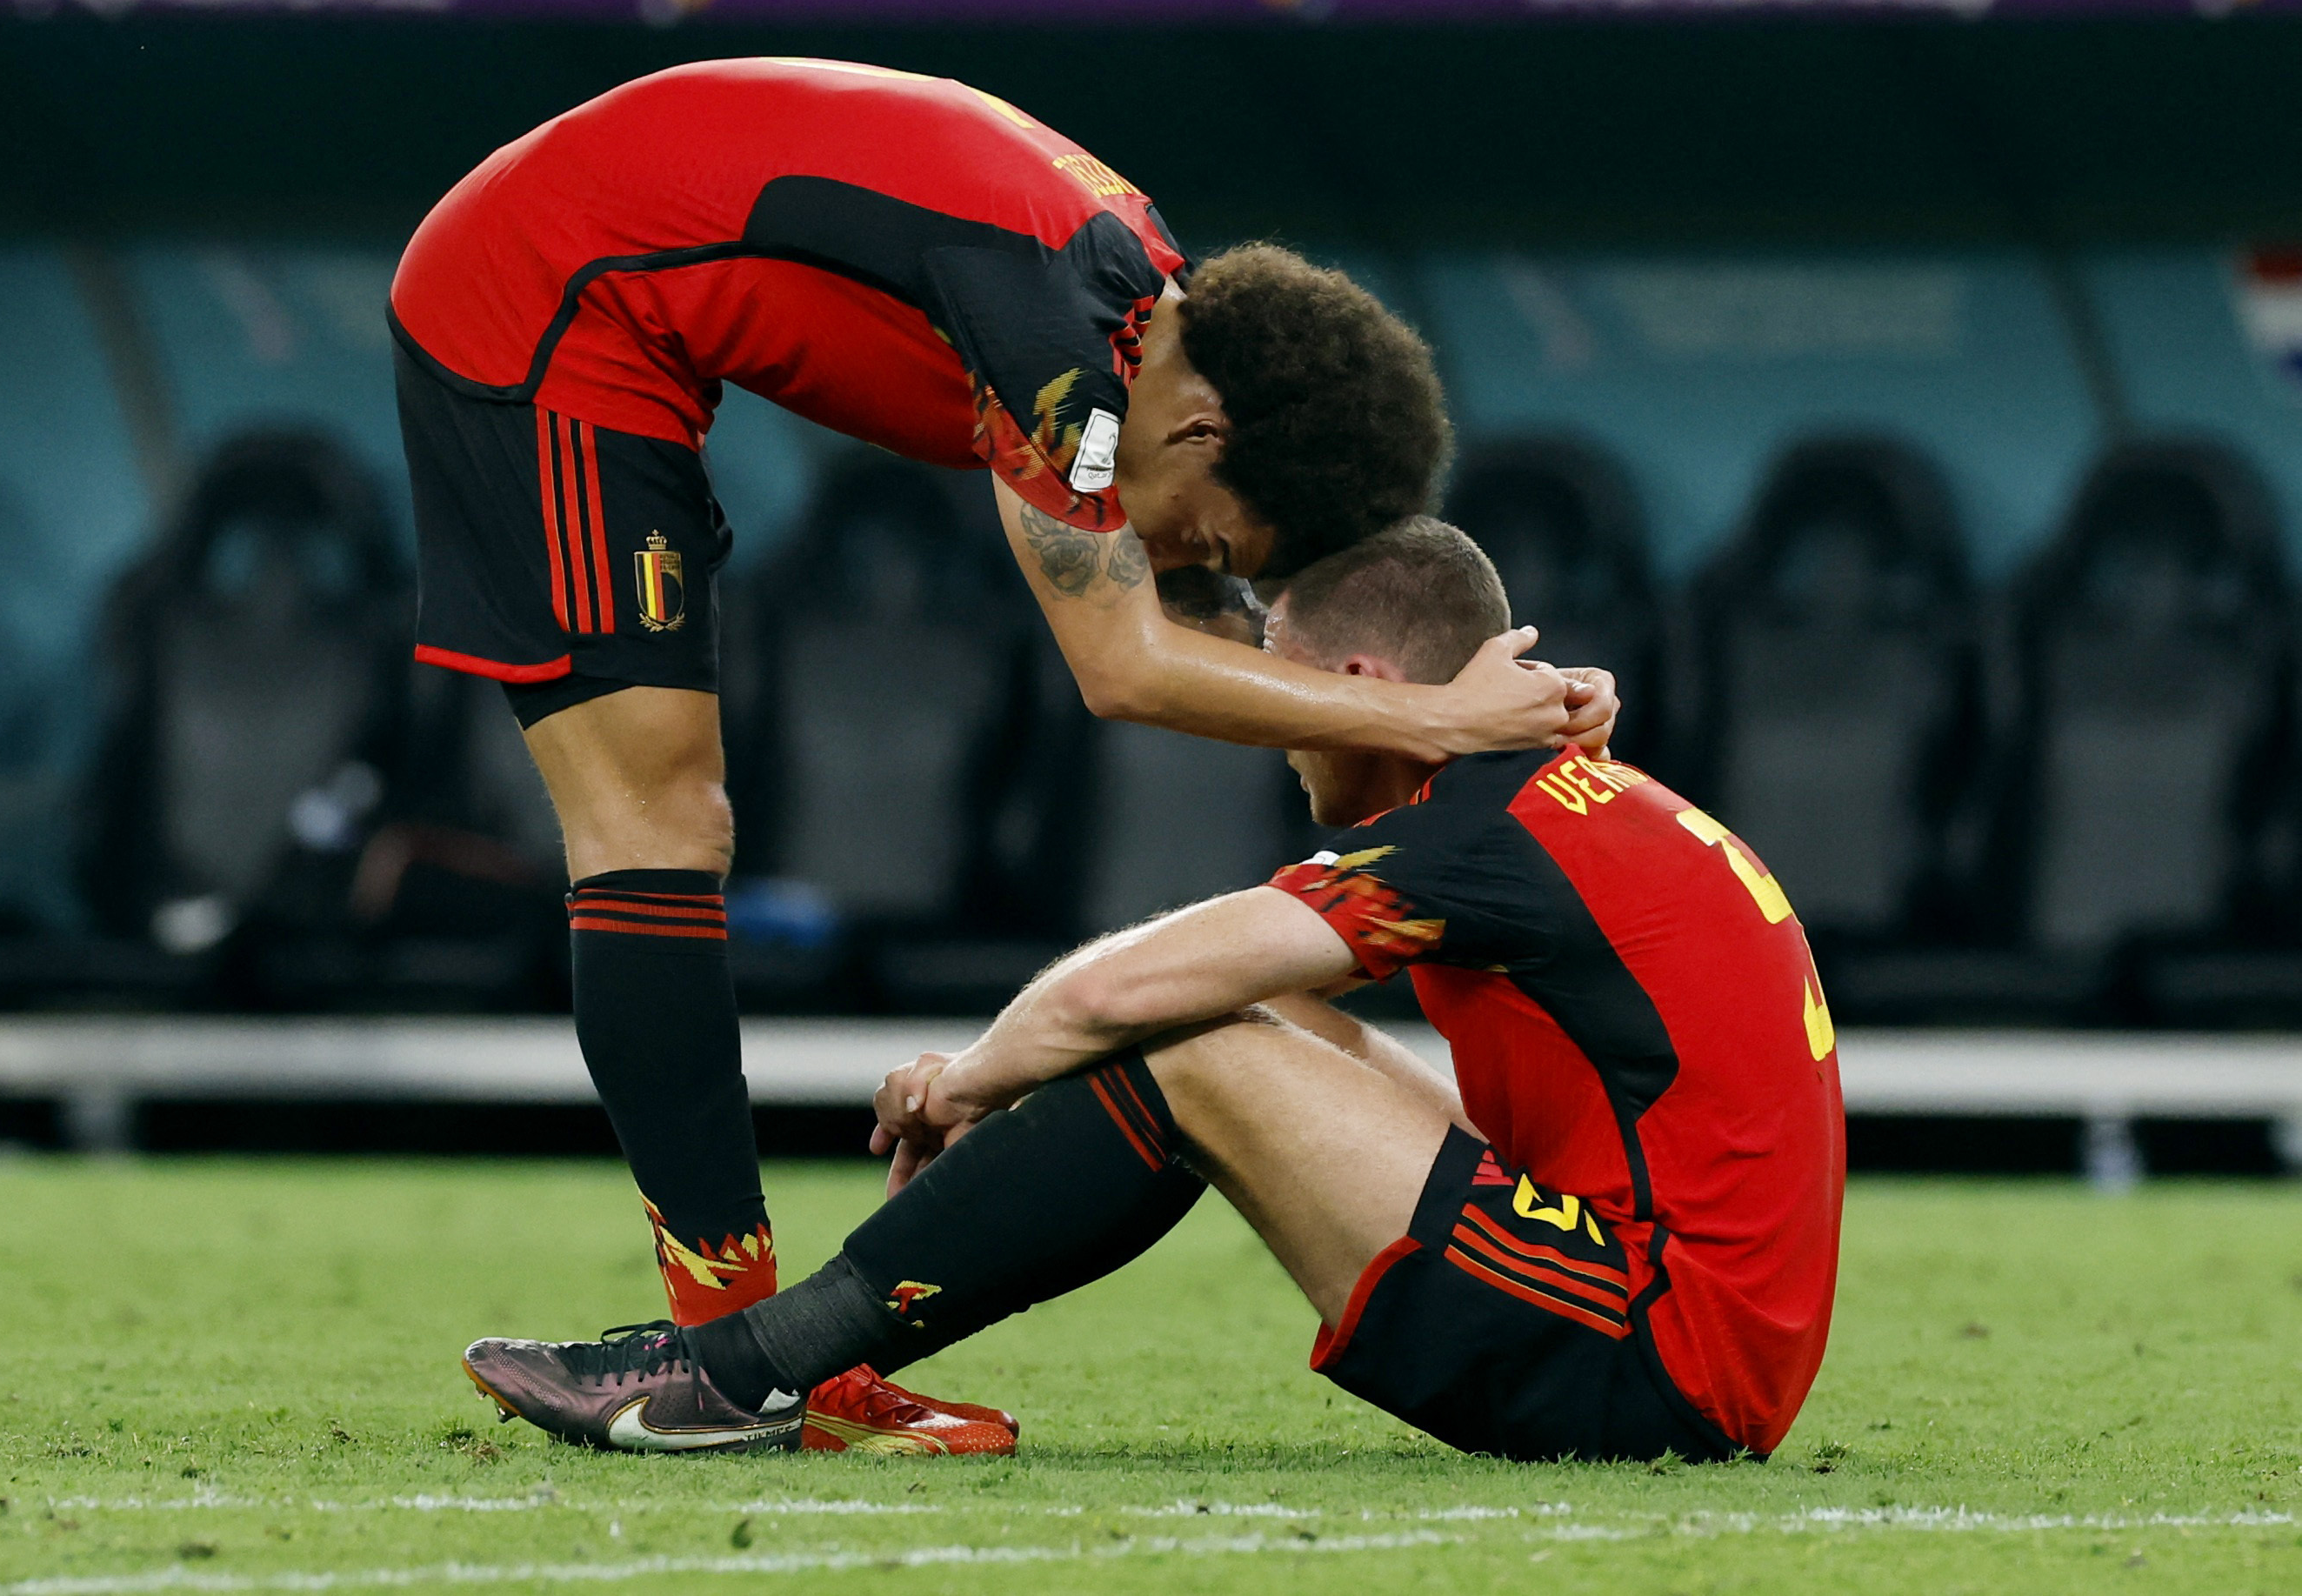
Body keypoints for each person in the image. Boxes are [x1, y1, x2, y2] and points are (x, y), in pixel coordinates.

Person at [396, 57, 1619, 1454]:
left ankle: (756, 1369)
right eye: (1207, 536)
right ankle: (743, 1370)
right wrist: (1442, 722)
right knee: (656, 820)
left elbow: (1219, 633)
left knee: (678, 816)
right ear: (1203, 432)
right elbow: (1126, 665)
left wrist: (1461, 701)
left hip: (624, 293)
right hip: (545, 291)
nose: (1182, 560)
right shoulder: (1066, 355)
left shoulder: (1151, 333)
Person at [462, 517, 1843, 1462]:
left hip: (1655, 1357)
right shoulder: (1557, 798)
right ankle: (795, 1367)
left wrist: (972, 1079)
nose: (1272, 726)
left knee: (1195, 1046)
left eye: (1282, 686)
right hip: (1676, 1325)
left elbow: (1123, 995)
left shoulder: (1484, 831)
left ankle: (743, 1370)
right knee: (1251, 1022)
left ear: (1363, 684)